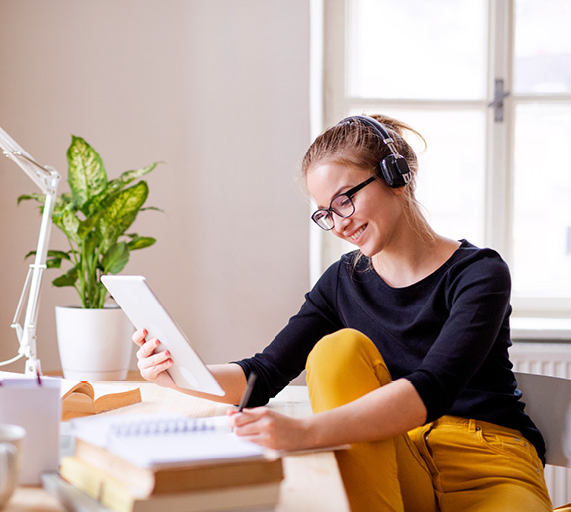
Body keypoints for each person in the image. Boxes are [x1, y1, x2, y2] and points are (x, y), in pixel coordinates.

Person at [133, 114, 553, 512]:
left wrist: (307, 433)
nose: (338, 224)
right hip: (394, 453)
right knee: (338, 350)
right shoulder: (341, 282)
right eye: (325, 212)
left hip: (487, 460)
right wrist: (178, 372)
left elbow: (436, 386)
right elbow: (262, 374)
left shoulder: (479, 272)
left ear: (396, 177)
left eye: (345, 200)